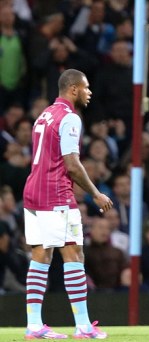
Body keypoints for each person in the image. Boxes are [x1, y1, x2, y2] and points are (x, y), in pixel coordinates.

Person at [22, 69, 113, 339]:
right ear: (73, 89)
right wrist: (96, 193)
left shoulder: (45, 114)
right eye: (85, 87)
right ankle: (83, 327)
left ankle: (34, 325)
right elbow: (72, 165)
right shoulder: (70, 118)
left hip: (33, 192)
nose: (89, 92)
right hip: (55, 194)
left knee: (40, 257)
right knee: (74, 255)